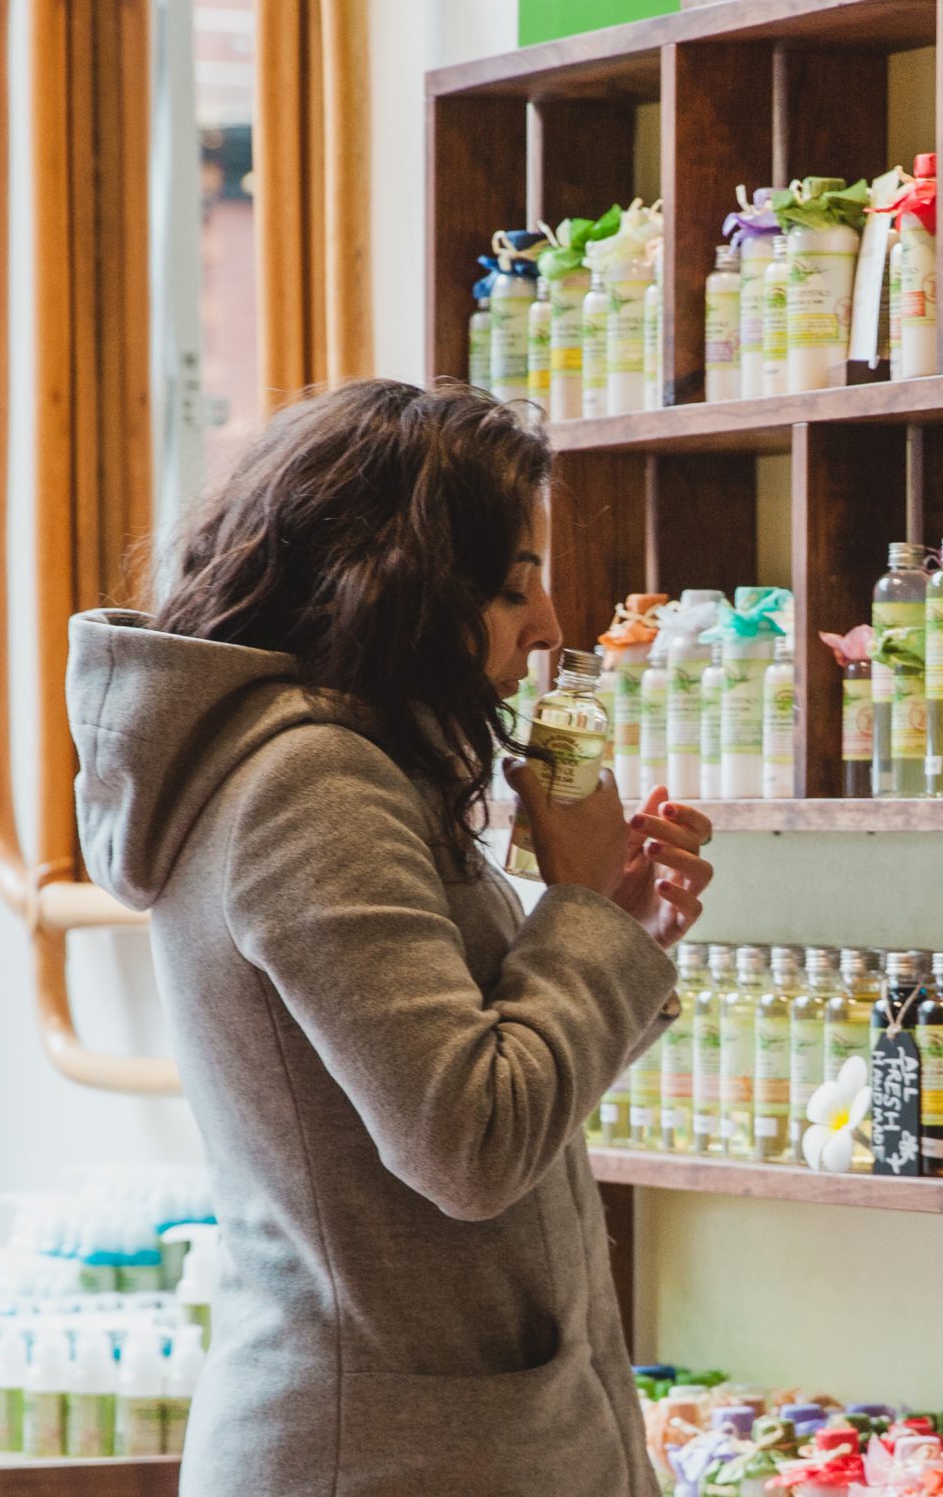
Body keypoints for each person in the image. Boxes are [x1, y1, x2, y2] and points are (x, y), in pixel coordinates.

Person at [67, 379, 712, 1496]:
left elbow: (474, 1081)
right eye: (516, 587)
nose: (551, 624)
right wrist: (585, 909)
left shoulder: (358, 763)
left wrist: (621, 926)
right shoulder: (314, 781)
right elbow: (468, 1142)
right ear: (395, 583)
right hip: (382, 1457)